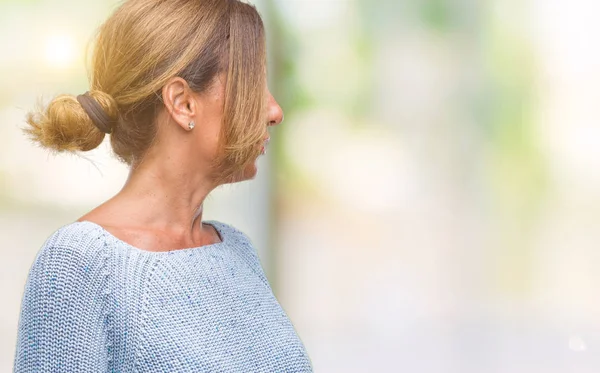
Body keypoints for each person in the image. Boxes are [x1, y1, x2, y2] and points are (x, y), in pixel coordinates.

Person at [12, 0, 313, 372]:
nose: (274, 111)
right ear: (183, 103)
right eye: (252, 85)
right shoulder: (81, 264)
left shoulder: (237, 251)